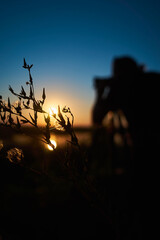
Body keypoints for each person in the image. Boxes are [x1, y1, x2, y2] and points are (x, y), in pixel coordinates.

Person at [92, 56, 160, 238]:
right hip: (145, 151)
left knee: (142, 207)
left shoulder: (120, 87)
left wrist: (100, 92)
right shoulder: (153, 79)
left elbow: (97, 118)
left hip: (143, 154)